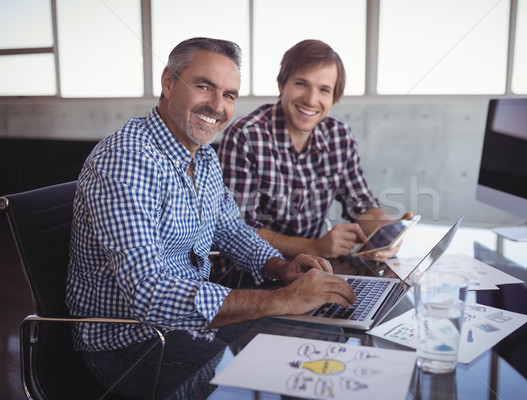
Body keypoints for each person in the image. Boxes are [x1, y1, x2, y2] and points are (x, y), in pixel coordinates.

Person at [66, 37, 356, 399]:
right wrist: (282, 299)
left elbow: (232, 229)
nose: (217, 106)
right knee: (284, 379)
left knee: (320, 337)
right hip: (133, 344)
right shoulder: (127, 159)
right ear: (169, 82)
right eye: (204, 86)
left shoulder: (201, 156)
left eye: (230, 95)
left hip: (191, 326)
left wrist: (281, 268)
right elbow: (149, 293)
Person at [218, 39, 413, 261]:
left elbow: (362, 204)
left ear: (333, 97)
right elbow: (237, 230)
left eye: (324, 90)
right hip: (251, 271)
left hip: (312, 267)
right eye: (301, 84)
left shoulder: (338, 136)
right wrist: (314, 247)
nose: (311, 100)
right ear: (282, 85)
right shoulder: (246, 136)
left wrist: (386, 234)